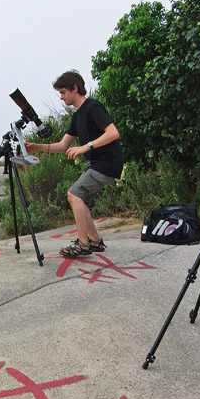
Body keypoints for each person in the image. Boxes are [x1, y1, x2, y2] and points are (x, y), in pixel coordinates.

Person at [25, 70, 123, 258]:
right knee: (80, 198)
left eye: (63, 92)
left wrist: (86, 146)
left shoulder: (93, 107)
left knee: (74, 194)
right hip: (98, 164)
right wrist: (37, 147)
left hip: (107, 163)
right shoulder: (77, 116)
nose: (61, 97)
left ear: (74, 88)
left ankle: (83, 245)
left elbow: (113, 133)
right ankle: (95, 241)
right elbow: (63, 146)